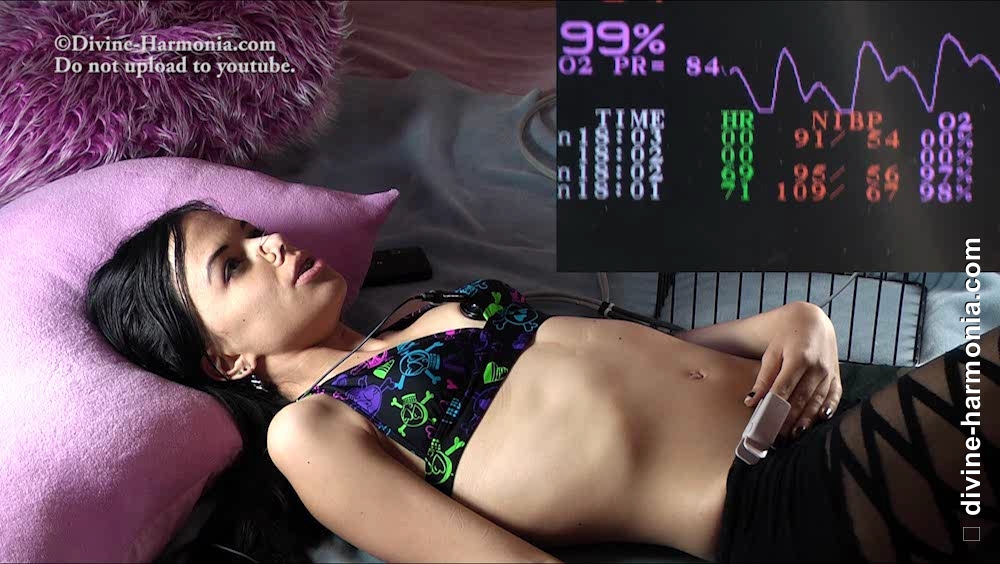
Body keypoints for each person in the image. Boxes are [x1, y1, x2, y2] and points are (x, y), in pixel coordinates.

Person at [86, 200, 999, 564]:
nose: (271, 243)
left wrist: (798, 324)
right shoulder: (314, 430)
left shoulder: (424, 310)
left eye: (251, 232)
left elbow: (650, 355)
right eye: (233, 265)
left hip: (818, 419)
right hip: (782, 503)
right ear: (225, 362)